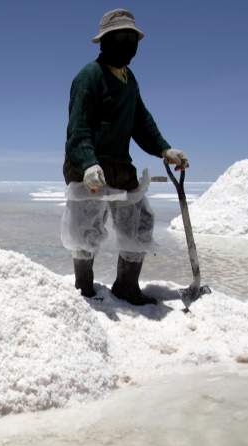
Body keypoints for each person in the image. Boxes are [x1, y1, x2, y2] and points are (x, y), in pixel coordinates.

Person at [62, 8, 189, 305]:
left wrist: (164, 149)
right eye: (121, 38)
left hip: (119, 166)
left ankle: (126, 287)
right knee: (85, 229)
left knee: (140, 221)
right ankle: (83, 289)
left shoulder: (128, 80)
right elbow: (78, 128)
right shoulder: (89, 77)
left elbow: (141, 121)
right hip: (88, 166)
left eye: (132, 39)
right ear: (105, 41)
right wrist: (87, 163)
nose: (128, 45)